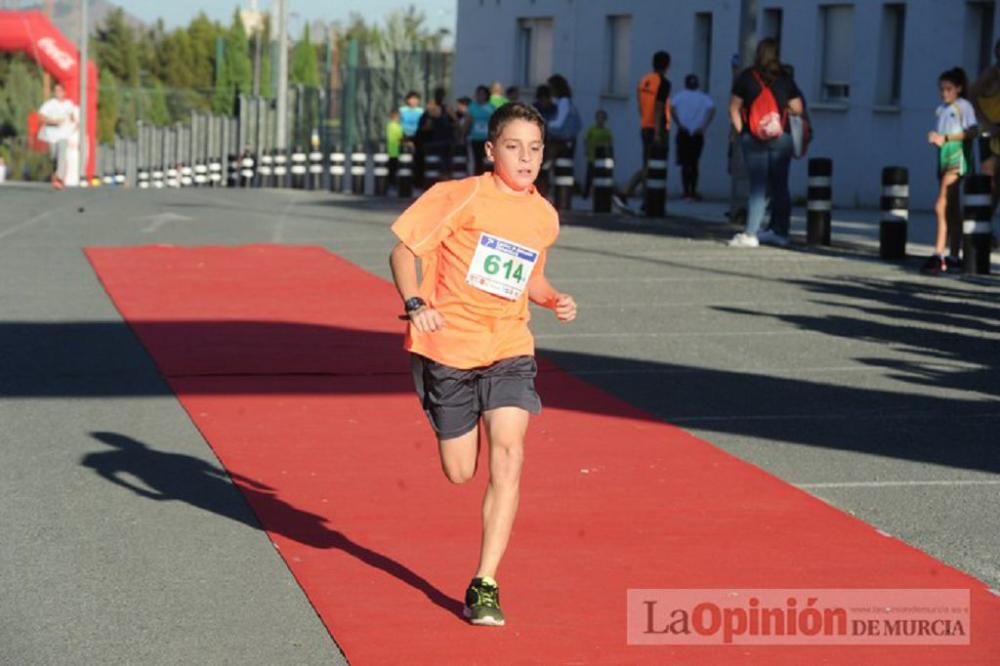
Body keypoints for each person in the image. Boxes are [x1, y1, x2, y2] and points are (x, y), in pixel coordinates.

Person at [388, 101, 577, 627]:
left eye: (535, 149)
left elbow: (530, 276)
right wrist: (416, 304)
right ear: (491, 150)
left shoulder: (543, 215)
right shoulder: (459, 195)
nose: (526, 159)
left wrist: (552, 297)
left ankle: (485, 582)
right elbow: (404, 253)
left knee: (510, 453)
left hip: (509, 347)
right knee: (460, 472)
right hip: (448, 347)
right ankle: (433, 394)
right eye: (513, 147)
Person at [727, 39, 804, 248]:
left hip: (753, 138)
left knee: (758, 186)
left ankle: (751, 233)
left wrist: (741, 131)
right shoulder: (785, 78)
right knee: (780, 186)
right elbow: (798, 108)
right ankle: (780, 232)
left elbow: (733, 108)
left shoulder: (747, 77)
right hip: (781, 137)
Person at [922, 68, 978, 275]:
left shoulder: (964, 107)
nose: (944, 93)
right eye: (942, 89)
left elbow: (972, 131)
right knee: (952, 208)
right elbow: (942, 134)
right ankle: (954, 255)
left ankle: (938, 253)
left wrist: (946, 139)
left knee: (940, 204)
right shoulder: (941, 110)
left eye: (949, 89)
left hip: (957, 159)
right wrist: (935, 137)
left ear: (959, 89)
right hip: (943, 159)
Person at [618, 51, 672, 209]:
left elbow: (641, 106)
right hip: (658, 128)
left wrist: (646, 122)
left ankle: (647, 200)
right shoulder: (663, 83)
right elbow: (659, 107)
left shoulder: (644, 81)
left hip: (645, 125)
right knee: (653, 166)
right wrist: (658, 132)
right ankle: (626, 192)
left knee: (648, 164)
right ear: (667, 65)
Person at [970, 39, 1000, 247]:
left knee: (997, 185)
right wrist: (988, 124)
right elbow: (971, 96)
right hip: (989, 134)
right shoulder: (991, 74)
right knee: (989, 184)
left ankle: (985, 228)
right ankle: (980, 229)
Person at [671, 74, 716, 200]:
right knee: (694, 163)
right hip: (697, 133)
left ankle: (686, 191)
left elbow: (672, 109)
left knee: (685, 162)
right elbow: (712, 110)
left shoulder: (679, 96)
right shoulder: (703, 98)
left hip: (684, 132)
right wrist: (703, 126)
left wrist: (679, 124)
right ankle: (693, 190)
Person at [37, 82, 78, 190]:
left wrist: (74, 123)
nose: (57, 93)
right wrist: (53, 121)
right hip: (51, 135)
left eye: (59, 90)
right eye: (55, 90)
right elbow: (40, 117)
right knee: (54, 156)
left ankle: (59, 178)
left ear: (64, 92)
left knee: (62, 155)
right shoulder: (50, 104)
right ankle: (55, 173)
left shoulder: (68, 104)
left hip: (63, 135)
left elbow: (72, 117)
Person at [546, 74, 580, 156]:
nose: (549, 91)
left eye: (550, 87)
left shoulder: (564, 102)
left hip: (562, 142)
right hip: (565, 141)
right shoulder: (563, 102)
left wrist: (545, 123)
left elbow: (559, 123)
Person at [582, 109, 614, 198]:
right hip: (592, 157)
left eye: (602, 118)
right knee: (589, 177)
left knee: (601, 178)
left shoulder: (607, 132)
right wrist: (586, 151)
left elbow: (610, 145)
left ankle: (601, 194)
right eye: (599, 118)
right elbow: (586, 141)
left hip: (602, 161)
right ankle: (586, 194)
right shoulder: (591, 130)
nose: (600, 120)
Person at [468, 85, 494, 175]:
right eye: (478, 94)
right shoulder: (472, 107)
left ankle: (488, 180)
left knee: (488, 160)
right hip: (475, 138)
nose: (480, 96)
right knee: (477, 160)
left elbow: (495, 123)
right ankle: (477, 179)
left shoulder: (491, 107)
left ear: (487, 95)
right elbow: (468, 121)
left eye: (482, 94)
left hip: (487, 138)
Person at [386, 108, 404, 188]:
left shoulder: (396, 125)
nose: (399, 117)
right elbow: (396, 137)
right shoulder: (393, 126)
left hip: (395, 149)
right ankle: (392, 183)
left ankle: (392, 183)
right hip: (394, 149)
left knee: (394, 167)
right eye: (397, 116)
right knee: (393, 167)